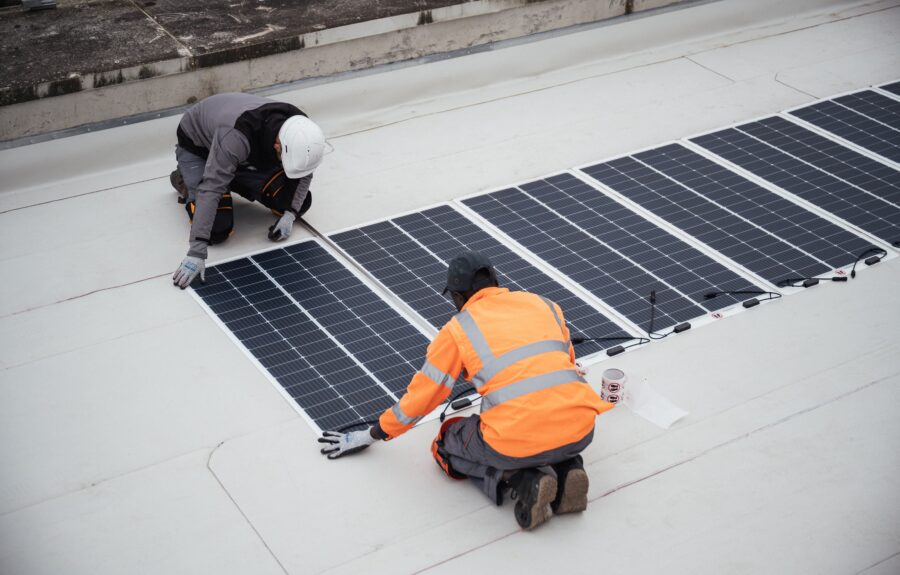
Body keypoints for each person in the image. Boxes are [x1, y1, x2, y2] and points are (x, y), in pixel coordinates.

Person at [318, 251, 615, 530]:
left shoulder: (458, 330)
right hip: (581, 428)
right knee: (546, 422)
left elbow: (422, 398)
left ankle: (522, 479)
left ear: (458, 297)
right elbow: (568, 365)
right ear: (497, 283)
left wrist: (373, 433)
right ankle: (568, 468)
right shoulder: (544, 305)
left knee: (446, 441)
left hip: (516, 442)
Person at [170, 92, 326, 289]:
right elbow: (211, 189)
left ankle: (229, 171)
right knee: (216, 230)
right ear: (278, 145)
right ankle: (184, 178)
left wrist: (291, 213)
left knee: (296, 200)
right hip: (199, 147)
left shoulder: (302, 131)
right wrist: (196, 251)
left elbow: (305, 172)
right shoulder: (237, 136)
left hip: (239, 151)